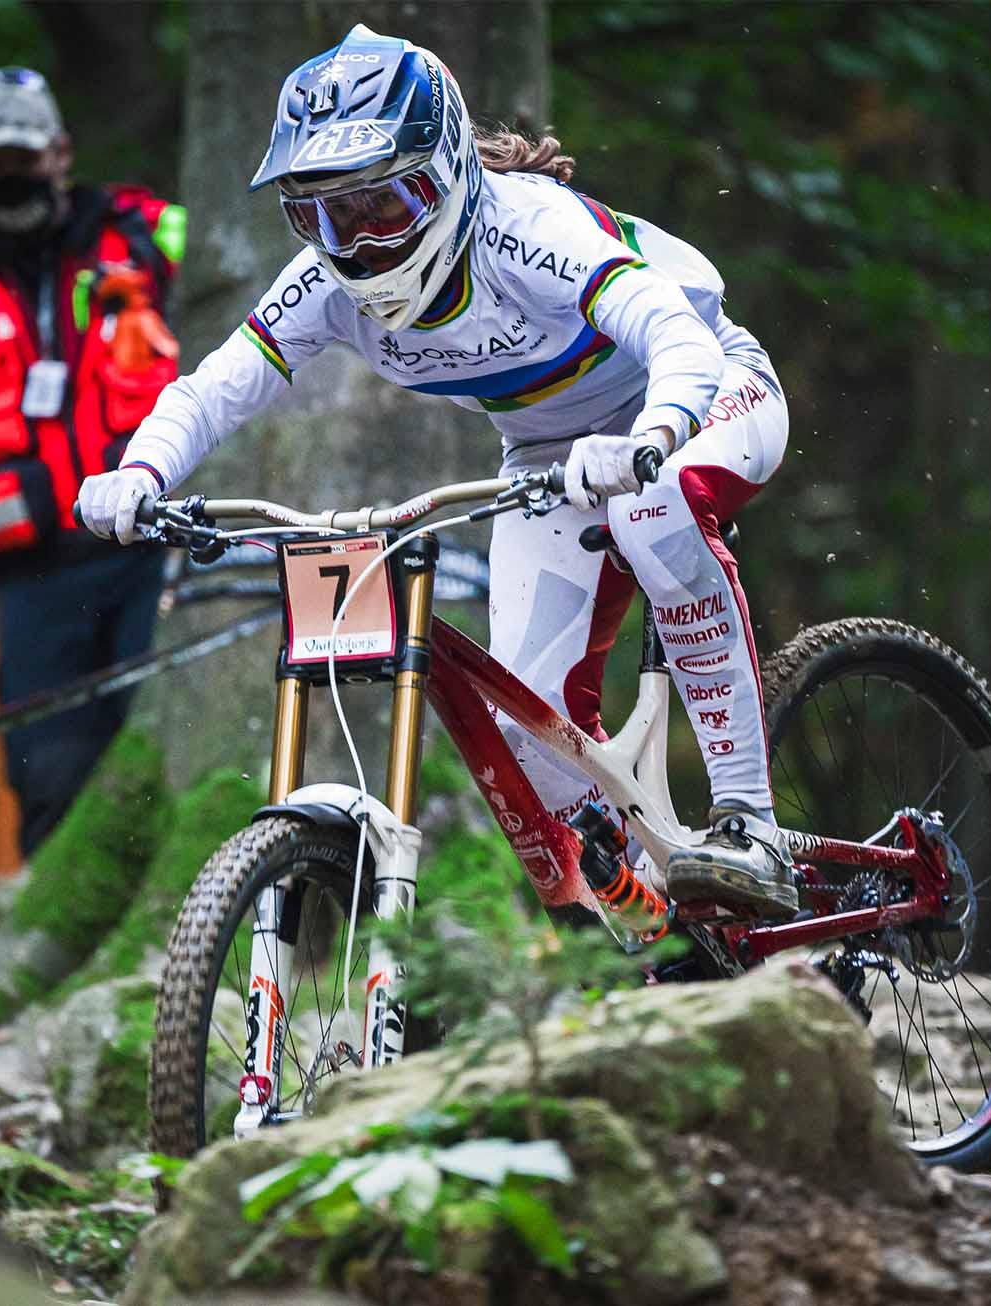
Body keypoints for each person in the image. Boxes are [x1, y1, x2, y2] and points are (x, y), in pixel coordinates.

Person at [77, 27, 796, 916]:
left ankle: (750, 824)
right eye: (324, 216)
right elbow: (216, 389)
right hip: (549, 458)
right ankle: (667, 924)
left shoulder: (529, 228)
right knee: (525, 737)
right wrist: (140, 471)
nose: (361, 244)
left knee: (655, 509)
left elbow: (674, 334)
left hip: (706, 387)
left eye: (384, 208)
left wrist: (654, 431)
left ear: (450, 175)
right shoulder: (327, 286)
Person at [0, 67, 185, 855]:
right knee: (48, 770)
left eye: (21, 157)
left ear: (60, 151)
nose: (8, 179)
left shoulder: (151, 234)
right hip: (32, 579)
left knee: (157, 734)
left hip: (152, 545)